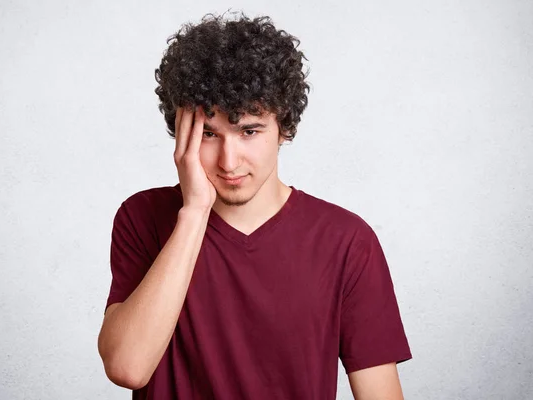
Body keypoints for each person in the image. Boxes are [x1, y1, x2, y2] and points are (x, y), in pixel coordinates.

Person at [97, 12, 412, 400]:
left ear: (285, 127)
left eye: (249, 131)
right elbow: (127, 366)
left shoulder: (346, 241)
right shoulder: (142, 218)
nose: (229, 161)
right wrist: (194, 213)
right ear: (181, 133)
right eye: (209, 134)